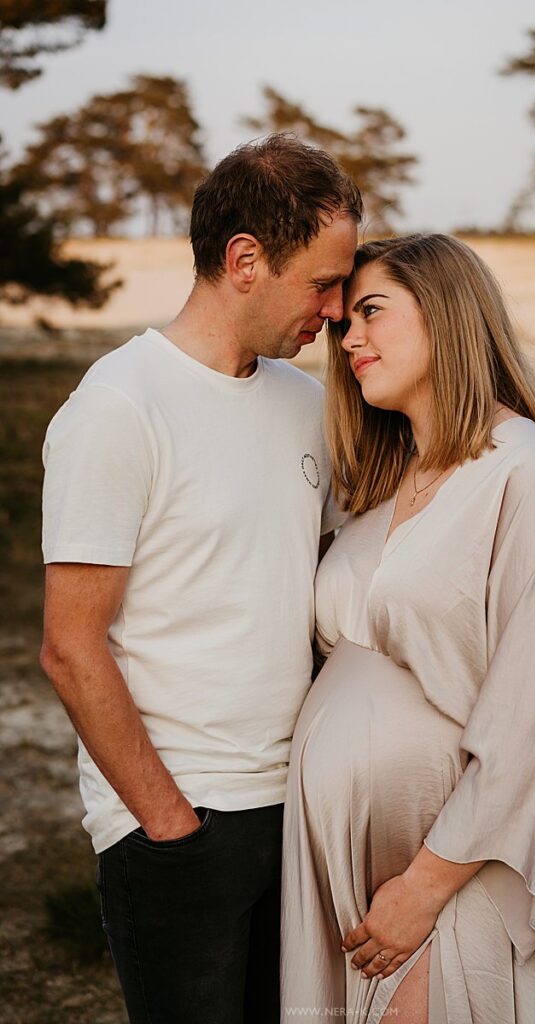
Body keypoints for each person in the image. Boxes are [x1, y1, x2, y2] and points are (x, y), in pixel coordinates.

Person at [39, 134, 361, 1024]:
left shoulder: (306, 404)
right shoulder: (118, 407)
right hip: (180, 822)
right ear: (245, 260)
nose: (335, 312)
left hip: (298, 808)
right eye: (322, 284)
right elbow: (70, 646)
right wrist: (169, 825)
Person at [282, 234, 535, 1023]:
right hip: (363, 873)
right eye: (344, 323)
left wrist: (423, 887)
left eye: (371, 313)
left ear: (445, 317)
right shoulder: (378, 482)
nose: (349, 341)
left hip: (474, 864)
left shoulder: (530, 476)